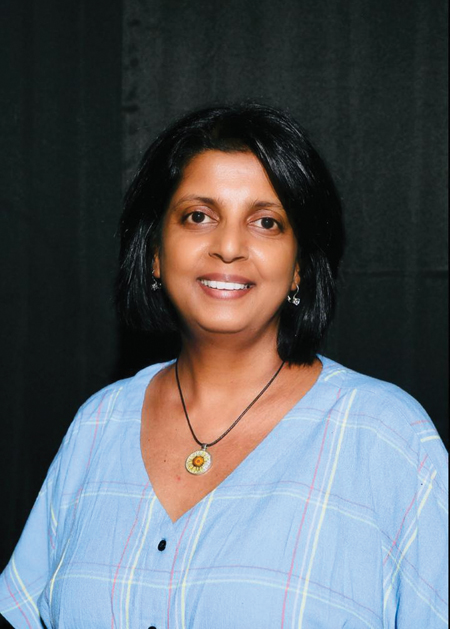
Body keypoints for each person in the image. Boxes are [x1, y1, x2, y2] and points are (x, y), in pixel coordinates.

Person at [0, 103, 447, 628]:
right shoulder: (99, 424)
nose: (229, 247)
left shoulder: (387, 438)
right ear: (155, 252)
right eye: (198, 216)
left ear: (300, 267)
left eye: (266, 222)